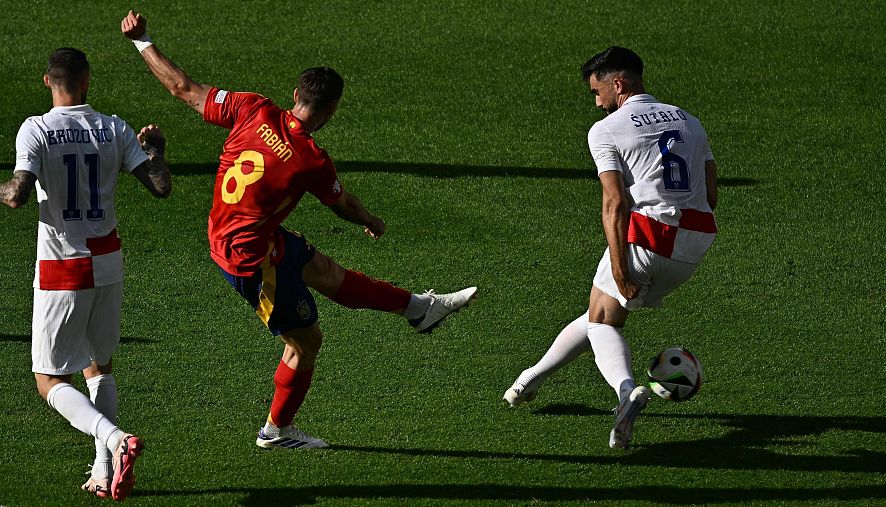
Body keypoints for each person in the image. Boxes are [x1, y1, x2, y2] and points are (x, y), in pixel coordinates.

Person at [120, 10, 477, 449]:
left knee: (325, 273)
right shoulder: (311, 160)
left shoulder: (252, 107)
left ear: (295, 95)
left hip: (246, 235)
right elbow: (341, 202)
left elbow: (183, 88)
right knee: (305, 343)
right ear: (331, 111)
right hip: (247, 257)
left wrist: (142, 40)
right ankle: (276, 431)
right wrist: (370, 220)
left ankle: (418, 309)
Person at [503, 46, 718, 449]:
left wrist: (621, 266)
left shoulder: (607, 129)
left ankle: (625, 396)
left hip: (651, 236)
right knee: (599, 312)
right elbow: (711, 193)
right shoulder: (691, 121)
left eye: (596, 91)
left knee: (604, 321)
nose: (597, 101)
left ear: (617, 83)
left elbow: (615, 203)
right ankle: (527, 382)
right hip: (695, 243)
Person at [0, 48, 172, 499]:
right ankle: (103, 468)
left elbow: (17, 195)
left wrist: (9, 186)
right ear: (87, 80)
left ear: (46, 81)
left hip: (63, 268)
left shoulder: (36, 129)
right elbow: (160, 185)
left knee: (49, 381)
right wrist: (155, 150)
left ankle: (116, 441)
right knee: (99, 365)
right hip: (108, 263)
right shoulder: (113, 127)